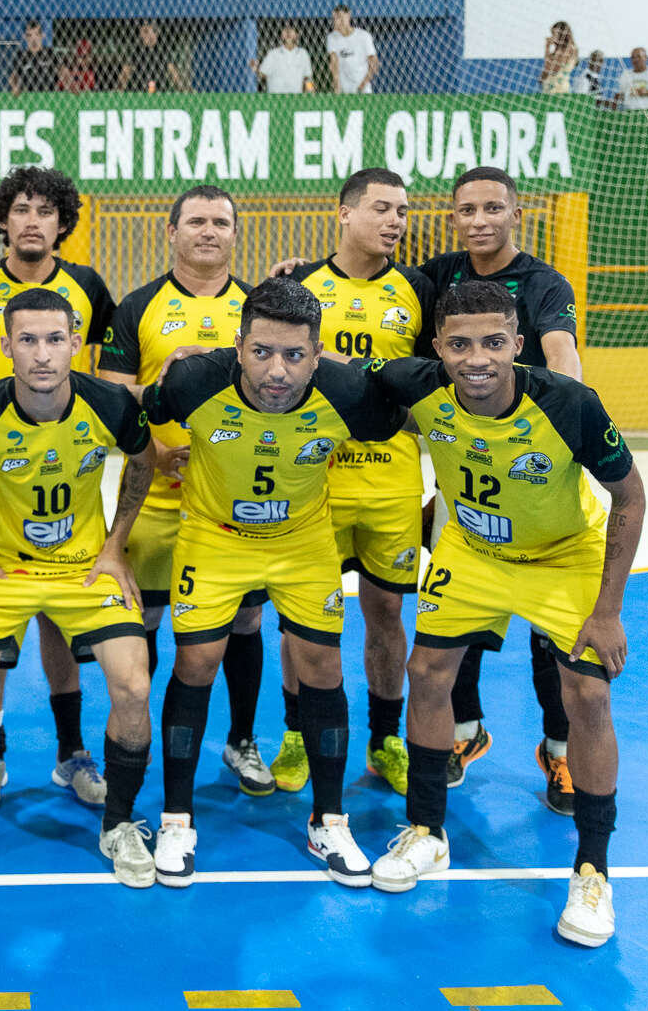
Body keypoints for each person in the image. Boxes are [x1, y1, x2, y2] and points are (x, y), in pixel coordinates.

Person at [362, 282, 644, 949]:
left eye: (493, 342)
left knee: (589, 695)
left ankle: (593, 871)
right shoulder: (415, 383)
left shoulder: (569, 404)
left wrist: (608, 612)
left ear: (518, 344)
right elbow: (332, 370)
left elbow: (630, 499)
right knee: (426, 673)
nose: (477, 358)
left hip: (562, 554)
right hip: (472, 549)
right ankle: (427, 830)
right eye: (459, 344)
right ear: (437, 348)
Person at [143, 279, 406, 887]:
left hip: (303, 542)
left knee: (323, 667)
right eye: (261, 352)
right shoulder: (194, 381)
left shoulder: (349, 394)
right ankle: (177, 818)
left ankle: (329, 820)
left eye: (294, 354)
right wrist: (155, 451)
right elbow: (134, 414)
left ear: (318, 355)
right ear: (238, 346)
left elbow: (411, 410)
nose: (276, 371)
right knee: (197, 662)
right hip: (214, 538)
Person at [0, 288, 158, 886]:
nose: (42, 354)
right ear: (6, 347)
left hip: (84, 569)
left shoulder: (108, 402)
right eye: (27, 340)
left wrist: (115, 545)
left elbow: (143, 458)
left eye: (55, 339)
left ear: (75, 344)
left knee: (134, 685)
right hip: (4, 570)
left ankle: (119, 823)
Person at [0, 167, 118, 807]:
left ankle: (71, 753)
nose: (32, 221)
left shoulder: (87, 286)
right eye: (20, 209)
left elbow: (110, 370)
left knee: (59, 622)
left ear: (63, 222)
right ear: (3, 219)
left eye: (46, 211)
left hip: (69, 477)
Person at [413, 165, 584, 803]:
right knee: (454, 621)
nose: (479, 221)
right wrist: (301, 274)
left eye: (492, 208)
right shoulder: (435, 276)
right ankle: (465, 731)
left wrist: (569, 420)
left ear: (516, 213)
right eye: (467, 210)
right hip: (465, 475)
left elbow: (561, 352)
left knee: (551, 637)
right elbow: (370, 289)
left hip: (535, 476)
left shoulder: (544, 283)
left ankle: (560, 751)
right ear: (452, 218)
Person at [98, 185, 270, 795]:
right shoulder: (138, 305)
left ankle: (241, 740)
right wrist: (166, 400)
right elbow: (110, 397)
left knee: (245, 620)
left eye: (220, 221)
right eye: (196, 221)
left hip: (233, 503)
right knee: (144, 619)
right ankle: (137, 737)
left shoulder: (257, 306)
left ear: (234, 233)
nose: (209, 231)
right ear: (171, 231)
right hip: (154, 498)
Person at [283, 169, 436, 799]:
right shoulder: (299, 286)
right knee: (302, 619)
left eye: (402, 211)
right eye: (381, 208)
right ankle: (297, 734)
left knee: (387, 613)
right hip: (313, 479)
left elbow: (435, 380)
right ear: (344, 213)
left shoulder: (418, 289)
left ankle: (384, 739)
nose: (395, 221)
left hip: (391, 480)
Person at [325, 5, 378, 94]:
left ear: (348, 15)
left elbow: (374, 63)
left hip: (363, 90)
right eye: (335, 18)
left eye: (341, 16)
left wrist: (362, 86)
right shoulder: (332, 38)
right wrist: (337, 86)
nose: (339, 20)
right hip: (344, 91)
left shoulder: (364, 36)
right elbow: (334, 63)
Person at [251, 23, 315, 94]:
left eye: (291, 29)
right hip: (275, 97)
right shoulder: (273, 54)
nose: (288, 32)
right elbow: (262, 73)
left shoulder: (303, 54)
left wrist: (311, 92)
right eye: (285, 29)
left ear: (297, 35)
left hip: (296, 97)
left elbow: (307, 78)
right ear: (281, 35)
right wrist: (255, 68)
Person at [117, 20, 174, 92]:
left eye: (154, 31)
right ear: (140, 33)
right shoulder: (135, 51)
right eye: (146, 31)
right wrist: (119, 91)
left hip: (159, 92)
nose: (151, 35)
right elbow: (125, 73)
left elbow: (173, 73)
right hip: (138, 91)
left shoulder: (163, 51)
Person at [7, 21, 59, 96]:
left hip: (49, 96)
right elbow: (13, 77)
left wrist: (69, 85)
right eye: (29, 35)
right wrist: (15, 87)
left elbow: (62, 71)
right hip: (28, 97)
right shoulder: (20, 56)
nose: (33, 38)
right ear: (25, 37)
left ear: (42, 35)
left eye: (37, 34)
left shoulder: (50, 53)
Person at [540, 22, 578, 94]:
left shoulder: (569, 50)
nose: (552, 37)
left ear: (562, 35)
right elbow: (546, 68)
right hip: (549, 87)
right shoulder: (557, 50)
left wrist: (547, 47)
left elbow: (552, 68)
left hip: (559, 89)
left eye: (554, 34)